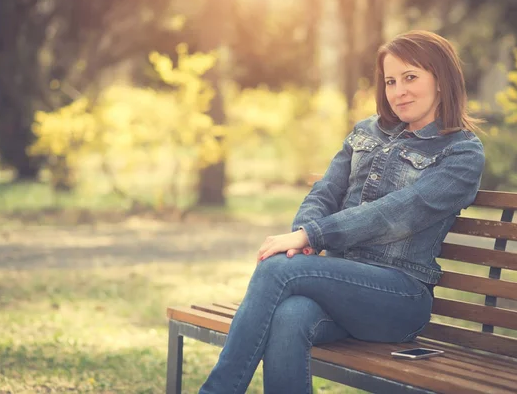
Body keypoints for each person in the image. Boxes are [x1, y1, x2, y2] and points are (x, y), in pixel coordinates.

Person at [200, 30, 485, 394]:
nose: (399, 92)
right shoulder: (368, 130)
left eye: (411, 77)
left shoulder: (461, 152)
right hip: (338, 285)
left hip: (398, 295)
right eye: (391, 81)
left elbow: (395, 213)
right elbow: (325, 191)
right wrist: (305, 234)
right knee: (290, 316)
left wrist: (311, 236)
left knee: (277, 269)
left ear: (442, 80)